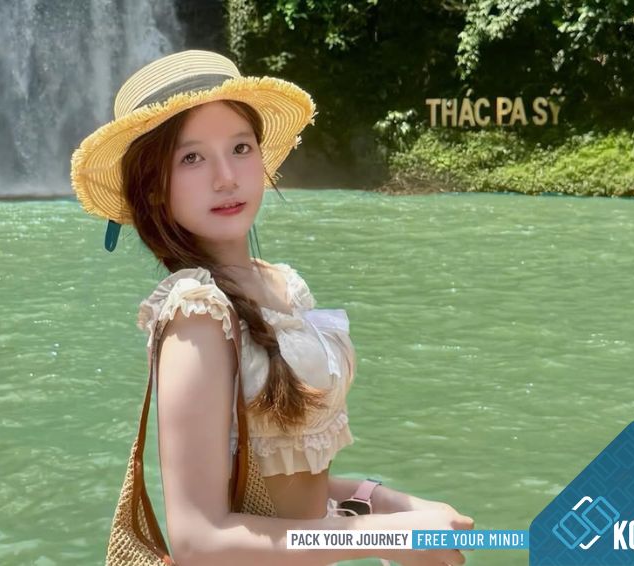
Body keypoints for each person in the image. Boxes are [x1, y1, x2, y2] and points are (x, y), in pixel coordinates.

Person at [71, 50, 474, 566]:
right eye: (191, 158)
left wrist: (379, 502)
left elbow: (287, 487)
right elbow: (199, 542)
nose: (226, 177)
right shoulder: (197, 315)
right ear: (152, 189)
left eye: (240, 148)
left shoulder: (282, 284)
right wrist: (382, 537)